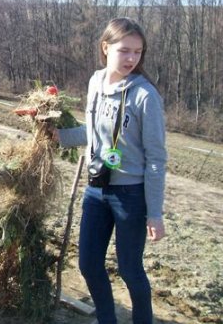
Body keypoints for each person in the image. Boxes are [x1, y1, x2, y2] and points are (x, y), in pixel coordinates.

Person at [54, 17, 167, 324]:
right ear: (106, 48)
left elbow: (156, 158)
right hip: (96, 190)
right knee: (89, 265)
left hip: (130, 195)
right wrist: (59, 136)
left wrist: (155, 213)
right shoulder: (96, 82)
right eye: (124, 50)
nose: (132, 58)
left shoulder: (145, 96)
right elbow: (92, 131)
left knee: (130, 270)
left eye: (138, 52)